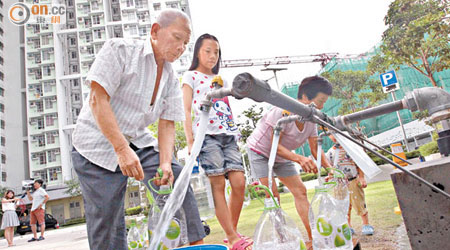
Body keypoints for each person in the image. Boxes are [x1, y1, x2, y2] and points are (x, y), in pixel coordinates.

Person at [71, 9, 206, 250]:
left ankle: (195, 245)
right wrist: (121, 149)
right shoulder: (119, 50)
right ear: (155, 31)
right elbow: (96, 100)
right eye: (177, 38)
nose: (181, 47)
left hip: (138, 141)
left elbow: (166, 122)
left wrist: (165, 162)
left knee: (177, 179)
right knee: (108, 223)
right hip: (95, 147)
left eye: (186, 43)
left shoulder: (169, 76)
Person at [182, 33, 252, 250]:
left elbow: (226, 108)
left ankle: (232, 231)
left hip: (228, 135)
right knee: (218, 184)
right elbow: (185, 109)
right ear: (197, 53)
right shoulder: (190, 76)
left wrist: (235, 132)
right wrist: (190, 140)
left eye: (216, 52)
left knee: (239, 183)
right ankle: (232, 237)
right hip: (206, 136)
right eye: (208, 51)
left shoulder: (222, 79)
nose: (213, 56)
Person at [246, 76, 333, 242]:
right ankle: (283, 240)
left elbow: (314, 148)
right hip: (260, 152)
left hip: (283, 155)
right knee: (273, 196)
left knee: (300, 191)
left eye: (324, 102)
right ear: (306, 97)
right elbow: (274, 146)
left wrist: (330, 169)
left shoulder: (311, 118)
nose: (322, 106)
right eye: (320, 101)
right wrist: (300, 159)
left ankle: (314, 238)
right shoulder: (281, 111)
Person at [326, 133, 375, 236]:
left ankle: (366, 224)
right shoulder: (330, 152)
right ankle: (348, 226)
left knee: (359, 203)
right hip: (339, 183)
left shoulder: (351, 149)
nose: (334, 136)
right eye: (331, 134)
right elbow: (330, 167)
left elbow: (359, 164)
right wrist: (330, 176)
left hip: (353, 180)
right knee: (343, 206)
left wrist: (361, 177)